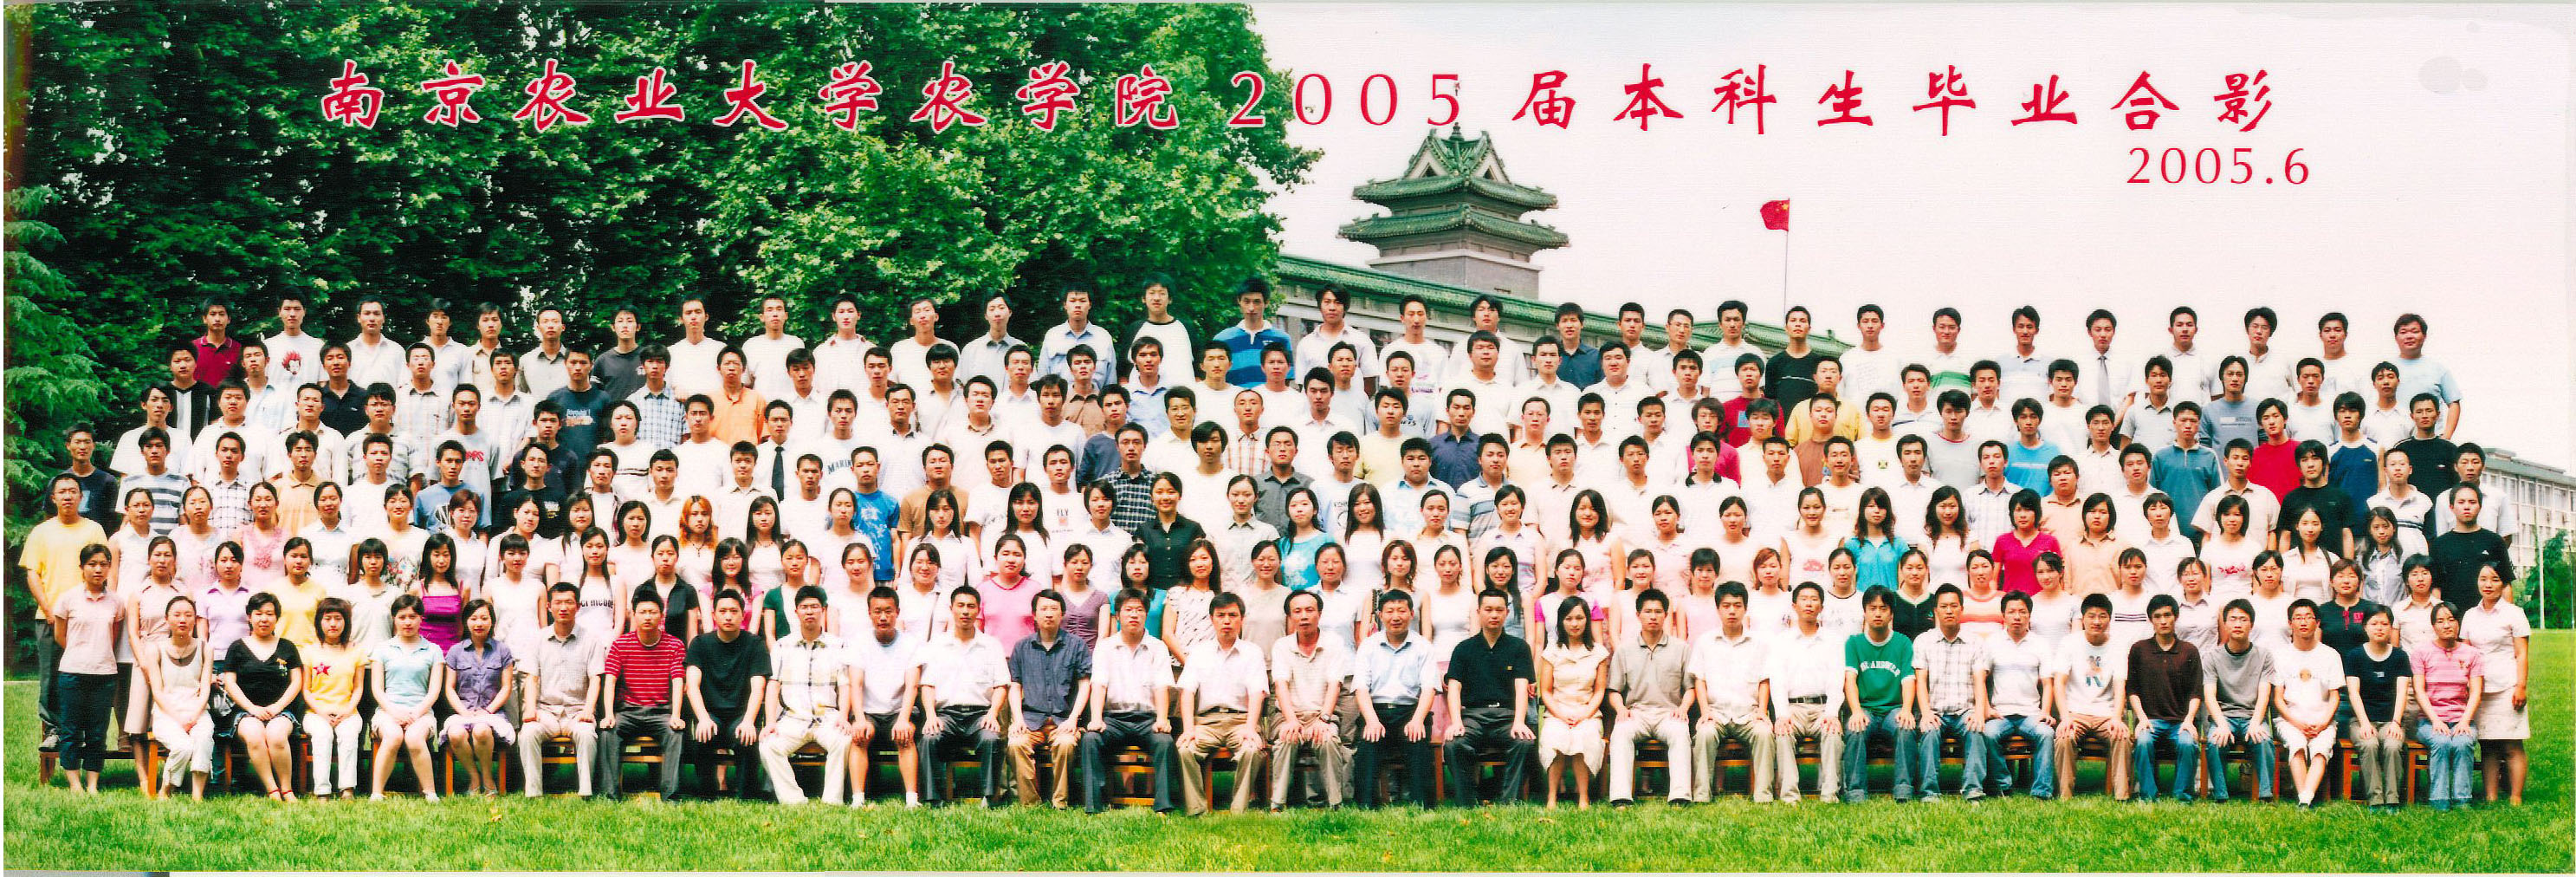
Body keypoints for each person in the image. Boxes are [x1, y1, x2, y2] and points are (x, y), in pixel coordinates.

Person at [1082, 588, 1180, 813]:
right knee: (1091, 739)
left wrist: (1162, 719)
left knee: (1164, 741)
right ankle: (1094, 805)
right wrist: (1096, 718)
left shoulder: (1158, 647)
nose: (1134, 615)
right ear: (1118, 615)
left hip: (1147, 719)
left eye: (1139, 610)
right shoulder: (1105, 647)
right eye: (1128, 610)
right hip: (1114, 719)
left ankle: (1163, 805)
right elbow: (1099, 685)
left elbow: (1161, 686)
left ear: (1146, 614)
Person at [1173, 592, 1268, 815]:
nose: (1227, 621)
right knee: (1184, 749)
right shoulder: (1199, 652)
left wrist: (1251, 728)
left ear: (1242, 619)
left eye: (1233, 615)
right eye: (1221, 615)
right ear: (1212, 619)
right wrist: (1189, 729)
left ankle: (1238, 810)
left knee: (1252, 750)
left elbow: (1257, 693)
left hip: (1241, 721)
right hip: (1206, 723)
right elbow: (1187, 692)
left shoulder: (1252, 652)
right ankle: (1197, 809)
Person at [1442, 588, 1537, 807]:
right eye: (1488, 609)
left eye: (1499, 610)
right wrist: (1456, 722)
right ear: (1478, 612)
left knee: (1524, 742)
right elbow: (1454, 688)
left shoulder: (1519, 647)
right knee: (1454, 745)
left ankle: (1509, 802)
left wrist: (1519, 722)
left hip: (1506, 716)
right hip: (1473, 717)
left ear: (1507, 613)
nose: (1494, 615)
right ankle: (1468, 801)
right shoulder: (1464, 649)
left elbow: (1521, 687)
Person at [916, 585, 1010, 807]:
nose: (965, 611)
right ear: (952, 609)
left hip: (980, 715)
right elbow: (927, 685)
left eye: (971, 606)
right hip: (946, 715)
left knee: (991, 738)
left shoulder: (991, 645)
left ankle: (989, 797)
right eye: (960, 606)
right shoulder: (937, 645)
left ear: (978, 610)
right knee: (929, 738)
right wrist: (931, 716)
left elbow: (1001, 686)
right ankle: (934, 798)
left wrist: (993, 714)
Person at [1602, 588, 1691, 807]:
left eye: (1658, 612)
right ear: (1638, 615)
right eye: (1648, 611)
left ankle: (1679, 796)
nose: (1653, 616)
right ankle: (1621, 797)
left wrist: (1683, 708)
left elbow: (1691, 687)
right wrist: (1621, 709)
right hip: (1637, 713)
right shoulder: (1624, 650)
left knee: (1680, 732)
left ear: (1666, 615)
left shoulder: (1681, 649)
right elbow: (1614, 691)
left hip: (1668, 713)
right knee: (1621, 732)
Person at [596, 589, 689, 801]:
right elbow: (610, 681)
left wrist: (676, 715)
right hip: (628, 711)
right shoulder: (621, 644)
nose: (648, 617)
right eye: (643, 612)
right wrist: (609, 715)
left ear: (662, 616)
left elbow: (677, 680)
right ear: (633, 615)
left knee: (675, 733)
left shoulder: (674, 645)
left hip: (661, 712)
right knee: (609, 732)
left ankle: (670, 795)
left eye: (653, 612)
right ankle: (610, 794)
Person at [1005, 588, 1092, 809]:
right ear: (1034, 615)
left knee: (1065, 744)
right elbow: (1015, 686)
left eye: (1054, 609)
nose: (1049, 613)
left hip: (1063, 721)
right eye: (1043, 609)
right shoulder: (1022, 647)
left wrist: (1073, 719)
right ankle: (1030, 803)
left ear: (1062, 614)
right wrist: (1018, 720)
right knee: (1016, 744)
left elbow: (1085, 684)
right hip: (1031, 721)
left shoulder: (1076, 645)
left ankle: (1060, 802)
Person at [1351, 588, 1438, 808]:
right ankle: (1366, 806)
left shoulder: (1423, 647)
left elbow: (1429, 688)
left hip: (1410, 711)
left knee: (1418, 743)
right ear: (1380, 615)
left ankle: (1423, 806)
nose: (1396, 617)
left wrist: (1417, 720)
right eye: (1390, 611)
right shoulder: (1368, 646)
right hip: (1376, 711)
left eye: (1401, 610)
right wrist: (1371, 720)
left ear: (1412, 614)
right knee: (1368, 746)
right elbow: (1361, 688)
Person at [47, 544, 122, 795]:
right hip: (73, 673)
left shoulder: (116, 602)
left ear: (109, 567)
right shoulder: (68, 599)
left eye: (103, 564)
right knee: (71, 730)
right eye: (92, 564)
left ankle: (92, 784)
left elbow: (113, 636)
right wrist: (81, 653)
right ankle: (75, 784)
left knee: (97, 732)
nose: (98, 569)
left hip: (104, 674)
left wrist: (97, 654)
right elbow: (60, 635)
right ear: (81, 567)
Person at [1267, 588, 1349, 810]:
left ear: (1319, 614)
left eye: (1309, 610)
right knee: (1287, 737)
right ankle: (1277, 804)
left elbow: (1335, 684)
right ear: (1290, 617)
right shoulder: (1282, 646)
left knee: (1328, 739)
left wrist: (1324, 719)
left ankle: (1335, 803)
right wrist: (1291, 720)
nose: (1304, 616)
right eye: (1297, 611)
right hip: (1288, 714)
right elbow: (1281, 685)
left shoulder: (1334, 643)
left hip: (1321, 713)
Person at [688, 588, 773, 801]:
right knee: (703, 735)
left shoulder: (755, 644)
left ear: (743, 615)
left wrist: (749, 721)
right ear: (713, 615)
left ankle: (746, 796)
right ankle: (707, 795)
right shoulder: (700, 644)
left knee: (747, 736)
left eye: (734, 611)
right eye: (723, 611)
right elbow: (692, 685)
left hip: (741, 715)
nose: (728, 616)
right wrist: (703, 719)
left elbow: (758, 688)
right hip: (711, 714)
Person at [1839, 587, 1917, 802]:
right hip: (1866, 709)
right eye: (1872, 608)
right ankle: (1855, 792)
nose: (1878, 613)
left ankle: (1904, 789)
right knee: (1855, 728)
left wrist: (1907, 710)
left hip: (1894, 709)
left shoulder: (1903, 642)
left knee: (1906, 727)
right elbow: (1850, 680)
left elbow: (1908, 680)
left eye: (1883, 608)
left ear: (1891, 614)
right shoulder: (1854, 643)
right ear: (1864, 612)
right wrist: (1856, 711)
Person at [1910, 586, 1988, 801]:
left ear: (1962, 609)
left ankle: (1973, 788)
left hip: (1965, 711)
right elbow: (1920, 681)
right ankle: (1929, 791)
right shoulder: (1923, 641)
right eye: (1944, 606)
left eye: (1954, 606)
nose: (1949, 611)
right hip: (1935, 710)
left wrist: (1979, 712)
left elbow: (1979, 680)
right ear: (1935, 611)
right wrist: (1926, 713)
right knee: (1929, 731)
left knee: (1976, 729)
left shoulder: (1975, 641)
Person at [2461, 561, 2528, 806]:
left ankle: (2515, 797)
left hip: (2508, 686)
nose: (2488, 584)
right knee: (2488, 745)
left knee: (2511, 745)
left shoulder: (2514, 613)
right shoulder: (2470, 615)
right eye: (2483, 579)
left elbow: (2521, 654)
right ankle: (2490, 797)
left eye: (2495, 579)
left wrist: (2521, 686)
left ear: (2504, 584)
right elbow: (2466, 653)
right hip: (2480, 689)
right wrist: (2467, 686)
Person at [2125, 594, 2202, 802]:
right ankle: (2148, 795)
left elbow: (2196, 692)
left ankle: (2182, 796)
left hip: (2180, 722)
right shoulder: (2139, 650)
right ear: (2151, 620)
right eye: (2157, 616)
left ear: (2175, 617)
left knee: (2187, 744)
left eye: (2167, 615)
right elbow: (2132, 690)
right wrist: (2141, 719)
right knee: (2143, 742)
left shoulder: (2189, 651)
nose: (2163, 621)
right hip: (2151, 721)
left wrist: (2189, 721)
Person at [2053, 594, 2129, 799]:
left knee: (2121, 735)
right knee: (2064, 737)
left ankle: (2122, 796)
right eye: (2091, 616)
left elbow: (2119, 685)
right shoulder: (2069, 642)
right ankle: (2065, 795)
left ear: (2109, 619)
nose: (2097, 621)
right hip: (2076, 712)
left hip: (2106, 714)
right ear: (2083, 618)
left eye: (2102, 616)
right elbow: (2059, 682)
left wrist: (2117, 718)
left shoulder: (2118, 645)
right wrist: (2065, 717)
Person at [1537, 594, 1609, 809]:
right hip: (1557, 711)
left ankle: (1583, 797)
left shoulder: (1598, 653)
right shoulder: (1552, 651)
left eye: (1579, 618)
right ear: (1561, 621)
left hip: (1588, 712)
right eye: (1569, 619)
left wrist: (1584, 714)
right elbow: (1546, 691)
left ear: (1587, 620)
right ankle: (1552, 797)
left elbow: (1599, 691)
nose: (1574, 624)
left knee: (1583, 736)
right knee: (1555, 736)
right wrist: (1561, 715)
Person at [365, 594, 439, 801]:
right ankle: (376, 793)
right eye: (402, 617)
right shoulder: (382, 649)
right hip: (388, 711)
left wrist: (416, 713)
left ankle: (430, 792)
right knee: (393, 736)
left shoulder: (433, 650)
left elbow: (433, 691)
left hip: (421, 712)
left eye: (413, 617)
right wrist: (395, 712)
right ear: (394, 619)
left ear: (421, 619)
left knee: (414, 738)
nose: (408, 622)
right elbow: (377, 689)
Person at [2199, 599, 2275, 802]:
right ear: (2225, 624)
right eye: (2233, 619)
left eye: (2243, 619)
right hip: (2224, 716)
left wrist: (2256, 723)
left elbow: (2264, 694)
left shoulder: (2264, 656)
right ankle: (2221, 795)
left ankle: (2265, 794)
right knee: (2215, 741)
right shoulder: (2211, 656)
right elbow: (2209, 696)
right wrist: (2221, 725)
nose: (2238, 624)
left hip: (2252, 715)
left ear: (2252, 625)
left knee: (2264, 740)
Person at [2411, 601, 2483, 810]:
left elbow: (2476, 692)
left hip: (2461, 718)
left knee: (2463, 742)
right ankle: (2439, 799)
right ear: (2433, 626)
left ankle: (2462, 799)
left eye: (2451, 620)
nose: (2447, 625)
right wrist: (2436, 721)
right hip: (2429, 721)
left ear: (2458, 623)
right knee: (2441, 742)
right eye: (2440, 621)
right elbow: (2419, 691)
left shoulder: (2472, 654)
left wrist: (2465, 721)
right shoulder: (2421, 652)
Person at [442, 599, 517, 797]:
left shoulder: (503, 651)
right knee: (455, 733)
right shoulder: (455, 651)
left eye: (484, 618)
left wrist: (488, 710)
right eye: (473, 618)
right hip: (464, 712)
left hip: (492, 713)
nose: (479, 623)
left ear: (492, 621)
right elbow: (449, 688)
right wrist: (464, 712)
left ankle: (488, 778)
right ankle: (474, 778)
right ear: (466, 621)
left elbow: (506, 687)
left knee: (482, 730)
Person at [2342, 606, 2412, 811]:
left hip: (2391, 720)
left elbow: (2402, 692)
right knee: (2369, 743)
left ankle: (2392, 799)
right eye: (2374, 623)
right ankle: (2375, 799)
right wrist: (2364, 723)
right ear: (2365, 627)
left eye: (2384, 624)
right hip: (2362, 720)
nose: (2379, 628)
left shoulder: (2400, 657)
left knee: (2392, 745)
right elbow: (2354, 693)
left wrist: (2396, 723)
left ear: (2391, 628)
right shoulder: (2355, 656)